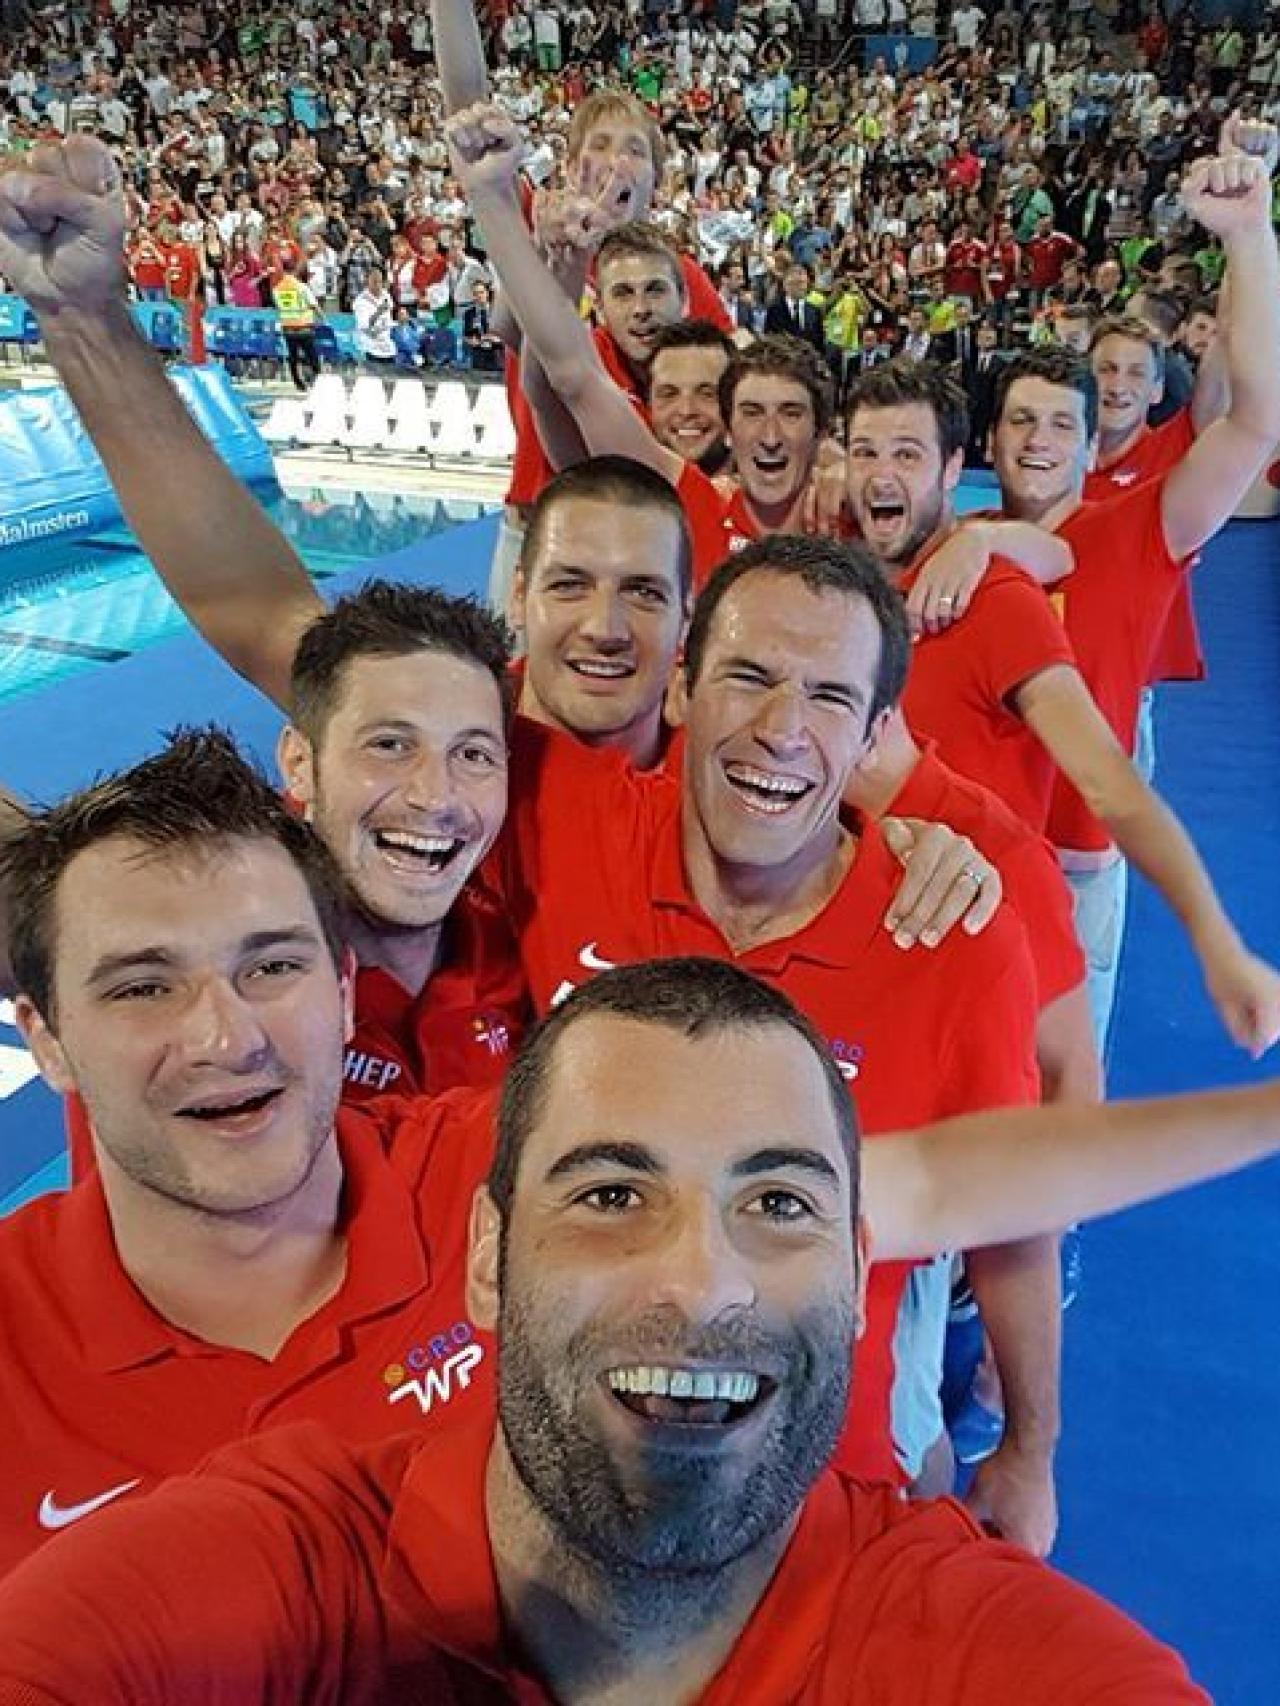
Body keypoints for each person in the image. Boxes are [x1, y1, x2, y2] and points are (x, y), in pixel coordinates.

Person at [8, 955, 1269, 1700]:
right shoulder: (290, 1569)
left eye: (776, 1201)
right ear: (488, 1258)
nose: (701, 1280)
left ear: (855, 1261)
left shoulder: (965, 1648)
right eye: (611, 1194)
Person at [845, 354, 1280, 1056]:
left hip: (987, 941)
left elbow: (1111, 782)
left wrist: (1216, 940)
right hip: (871, 940)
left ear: (954, 468)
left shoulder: (994, 599)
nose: (881, 473)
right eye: (864, 452)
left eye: (907, 453)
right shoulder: (849, 591)